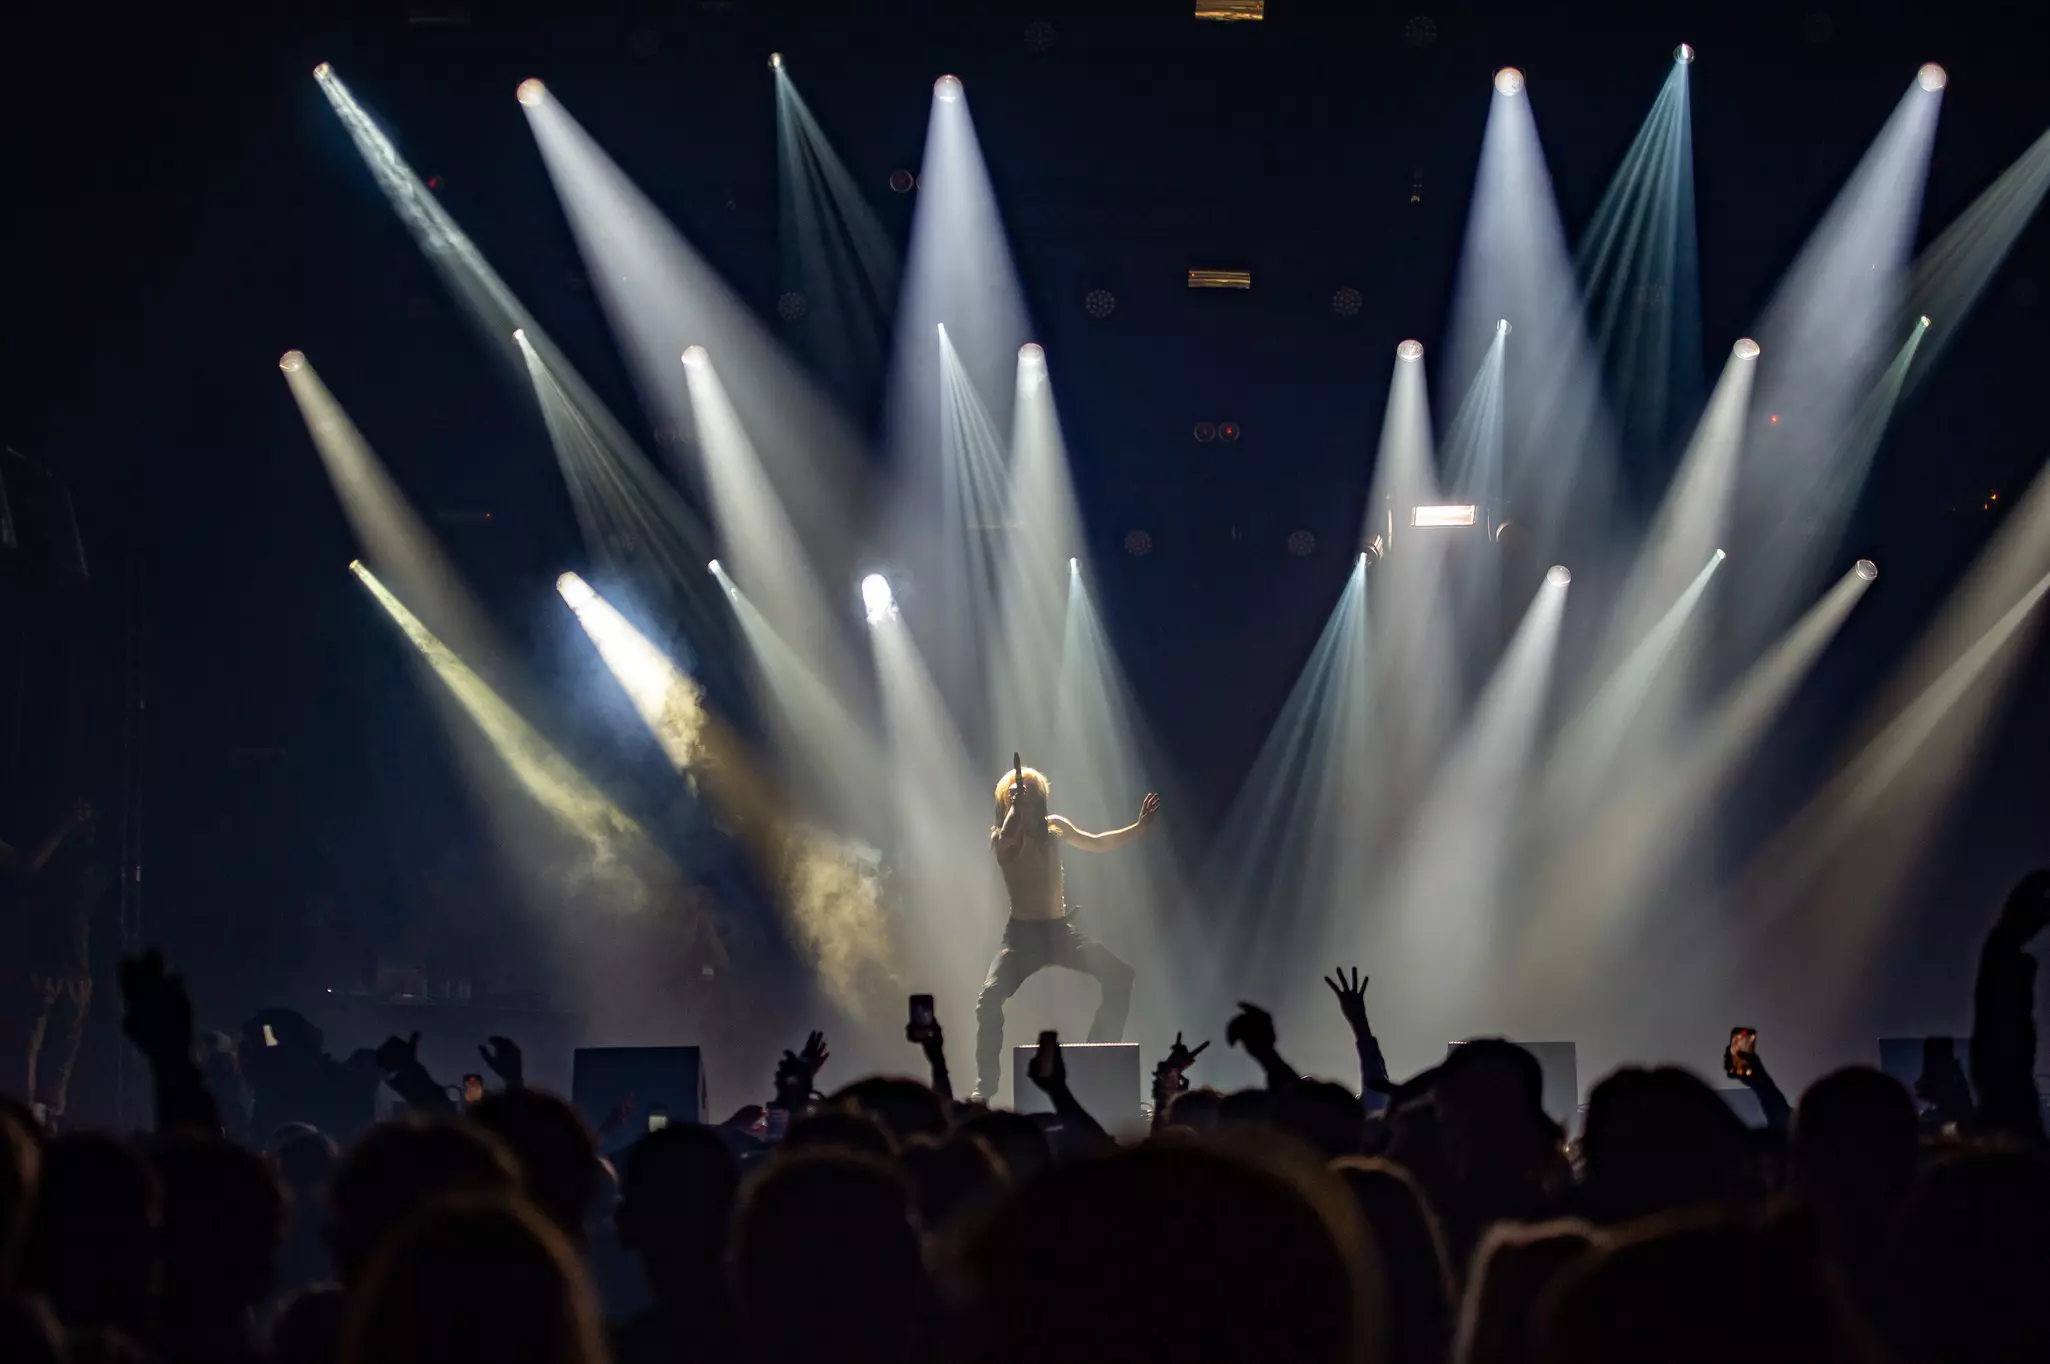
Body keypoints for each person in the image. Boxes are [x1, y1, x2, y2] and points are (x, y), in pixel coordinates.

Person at [975, 764, 1157, 1100]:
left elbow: (1097, 842)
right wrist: (1016, 803)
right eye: (1015, 792)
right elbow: (1008, 841)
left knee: (1120, 976)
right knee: (988, 1000)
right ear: (1008, 799)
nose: (1022, 796)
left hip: (1060, 932)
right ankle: (985, 1087)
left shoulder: (1054, 827)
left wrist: (1138, 828)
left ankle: (1096, 1058)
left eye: (1028, 791)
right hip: (1022, 938)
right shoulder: (1002, 837)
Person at [6, 798, 109, 1128]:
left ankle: (50, 1117)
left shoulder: (91, 871)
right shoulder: (46, 866)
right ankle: (28, 1116)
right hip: (44, 969)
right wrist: (65, 826)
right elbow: (25, 868)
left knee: (60, 1054)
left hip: (76, 973)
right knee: (30, 1050)